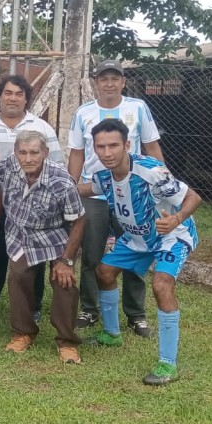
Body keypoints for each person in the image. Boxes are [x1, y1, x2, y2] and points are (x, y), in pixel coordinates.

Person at [78, 118, 200, 386]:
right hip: (136, 239)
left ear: (127, 144)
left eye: (113, 145)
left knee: (161, 285)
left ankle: (168, 363)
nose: (107, 153)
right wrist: (57, 184)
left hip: (171, 236)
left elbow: (193, 197)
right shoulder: (104, 176)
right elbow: (88, 188)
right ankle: (112, 334)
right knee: (105, 271)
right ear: (94, 149)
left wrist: (177, 218)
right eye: (101, 147)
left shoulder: (151, 171)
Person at [68, 59, 164, 337]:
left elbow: (151, 146)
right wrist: (70, 188)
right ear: (95, 82)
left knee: (137, 249)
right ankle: (89, 308)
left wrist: (162, 182)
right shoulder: (83, 112)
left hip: (132, 193)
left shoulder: (138, 108)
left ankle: (136, 314)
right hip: (93, 193)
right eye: (103, 78)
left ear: (123, 81)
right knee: (91, 252)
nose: (109, 84)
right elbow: (76, 152)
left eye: (115, 78)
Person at [0, 75, 63, 317]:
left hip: (32, 205)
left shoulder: (42, 127)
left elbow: (57, 166)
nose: (13, 98)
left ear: (26, 99)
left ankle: (34, 307)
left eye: (19, 94)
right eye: (8, 93)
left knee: (33, 255)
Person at [0, 131, 87, 364]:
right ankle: (23, 332)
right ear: (16, 153)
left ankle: (67, 341)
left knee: (64, 281)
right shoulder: (9, 166)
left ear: (45, 153)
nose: (28, 158)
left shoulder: (61, 181)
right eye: (23, 152)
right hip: (21, 233)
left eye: (34, 152)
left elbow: (78, 220)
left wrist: (67, 261)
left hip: (55, 233)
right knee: (18, 275)